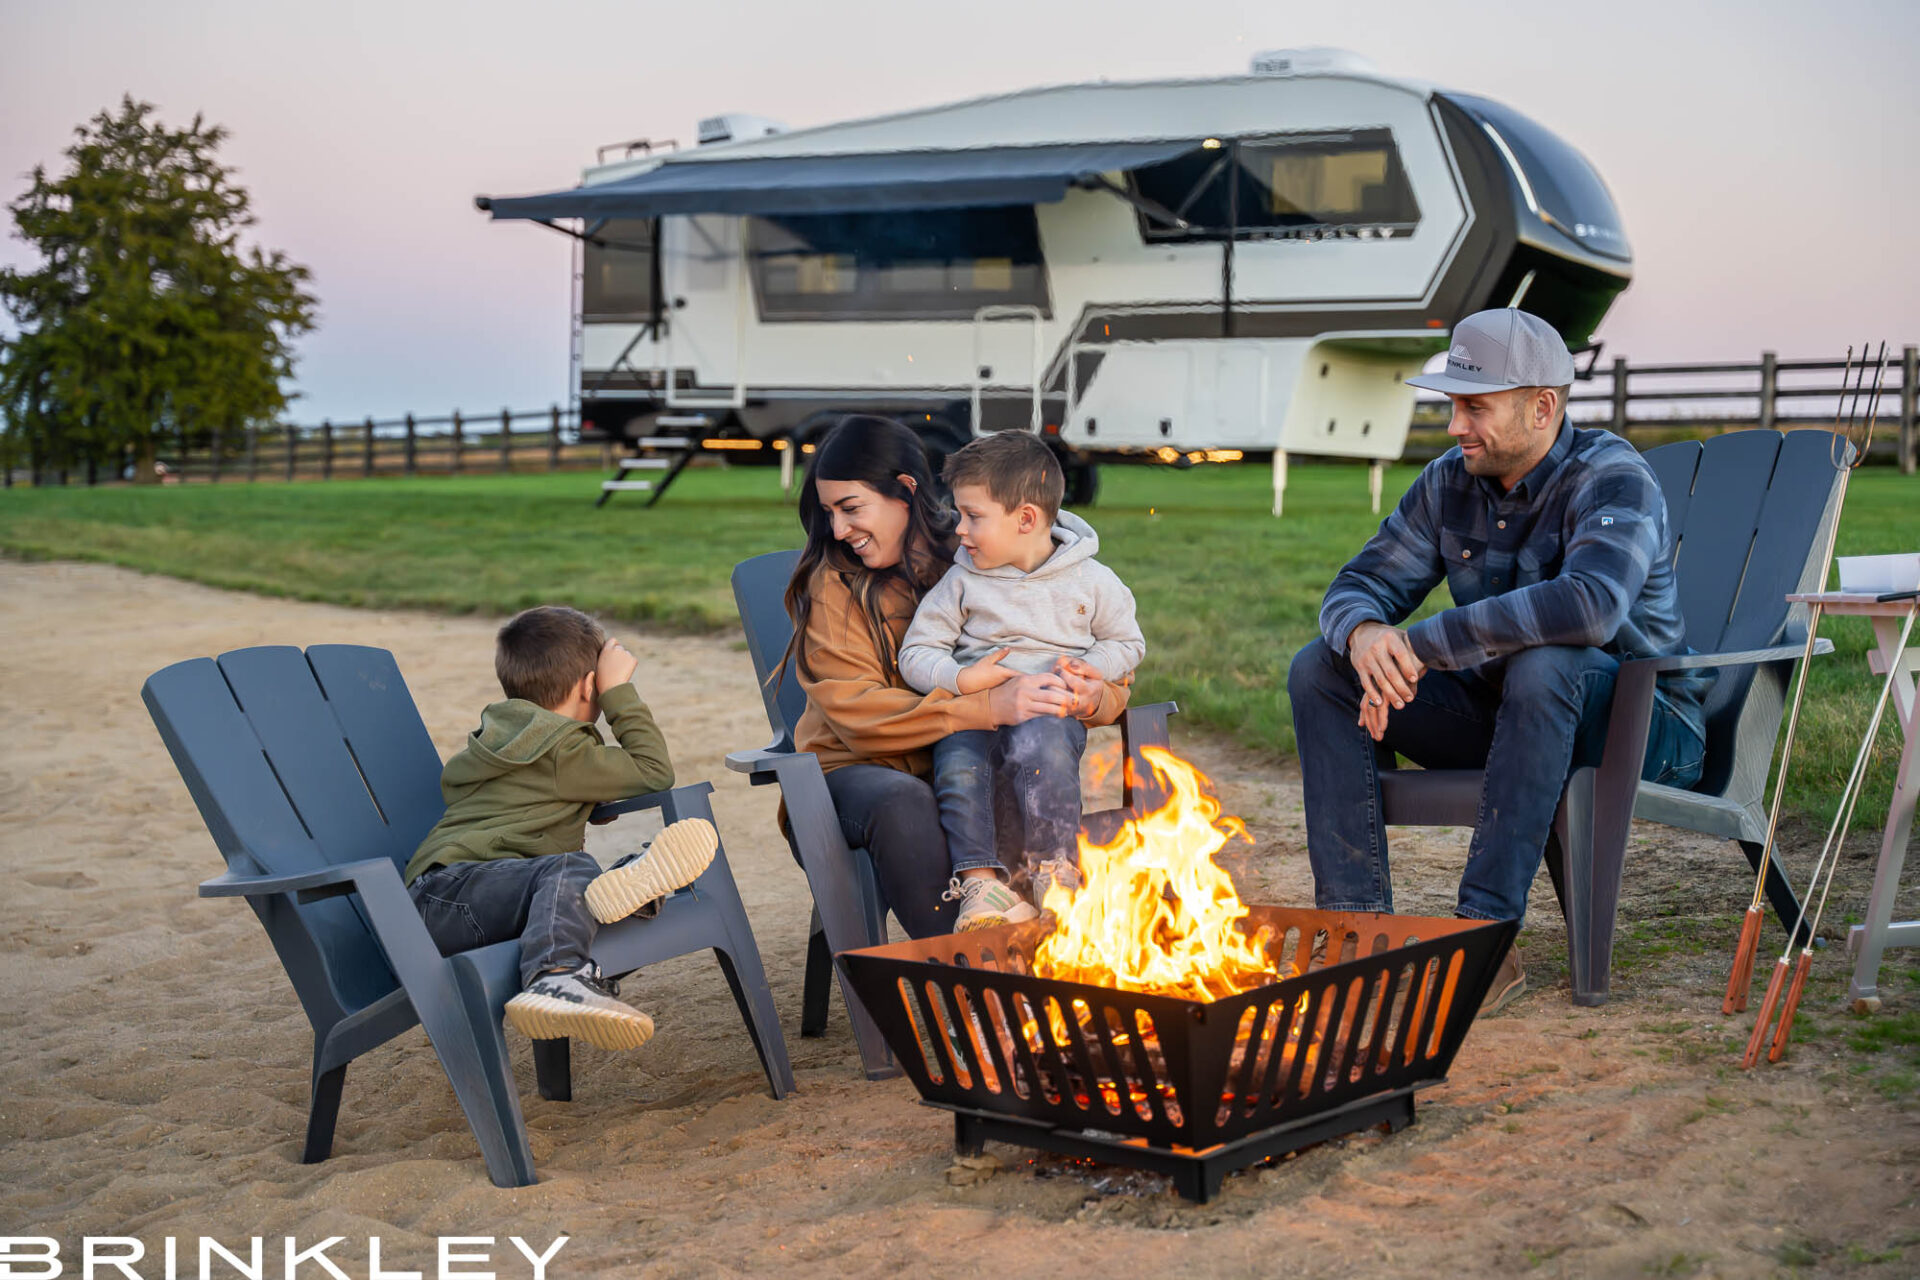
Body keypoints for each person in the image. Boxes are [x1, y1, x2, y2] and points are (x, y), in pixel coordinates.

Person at [1287, 308, 1709, 1013]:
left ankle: (1486, 935)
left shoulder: (1612, 479)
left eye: (1474, 406)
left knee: (1547, 662)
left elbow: (1591, 607)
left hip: (1641, 726)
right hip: (1513, 716)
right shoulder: (1449, 483)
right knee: (1321, 669)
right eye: (1452, 405)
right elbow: (1356, 587)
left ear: (1542, 407)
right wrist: (1364, 637)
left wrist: (1419, 645)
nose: (1454, 425)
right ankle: (1357, 925)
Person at [783, 415, 1133, 937]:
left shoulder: (980, 545)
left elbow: (1104, 663)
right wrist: (986, 706)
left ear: (905, 490)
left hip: (959, 758)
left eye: (851, 509)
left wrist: (1088, 695)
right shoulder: (834, 584)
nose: (837, 530)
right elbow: (857, 717)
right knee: (910, 798)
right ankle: (969, 978)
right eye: (829, 512)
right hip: (857, 772)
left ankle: (1039, 957)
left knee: (1019, 760)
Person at [404, 605, 719, 1049]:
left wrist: (580, 802)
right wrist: (620, 693)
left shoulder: (507, 742)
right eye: (603, 686)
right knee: (571, 870)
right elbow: (653, 770)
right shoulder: (563, 751)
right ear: (590, 686)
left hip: (447, 904)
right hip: (452, 896)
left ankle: (627, 885)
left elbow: (519, 803)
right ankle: (556, 977)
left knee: (576, 888)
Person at [897, 430, 1145, 930]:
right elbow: (918, 651)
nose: (959, 530)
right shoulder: (962, 580)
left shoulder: (1093, 581)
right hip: (977, 712)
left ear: (1026, 518)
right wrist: (963, 679)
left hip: (1050, 711)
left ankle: (1056, 870)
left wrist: (1095, 666)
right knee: (958, 763)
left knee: (1045, 749)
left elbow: (1128, 643)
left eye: (973, 516)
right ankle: (981, 885)